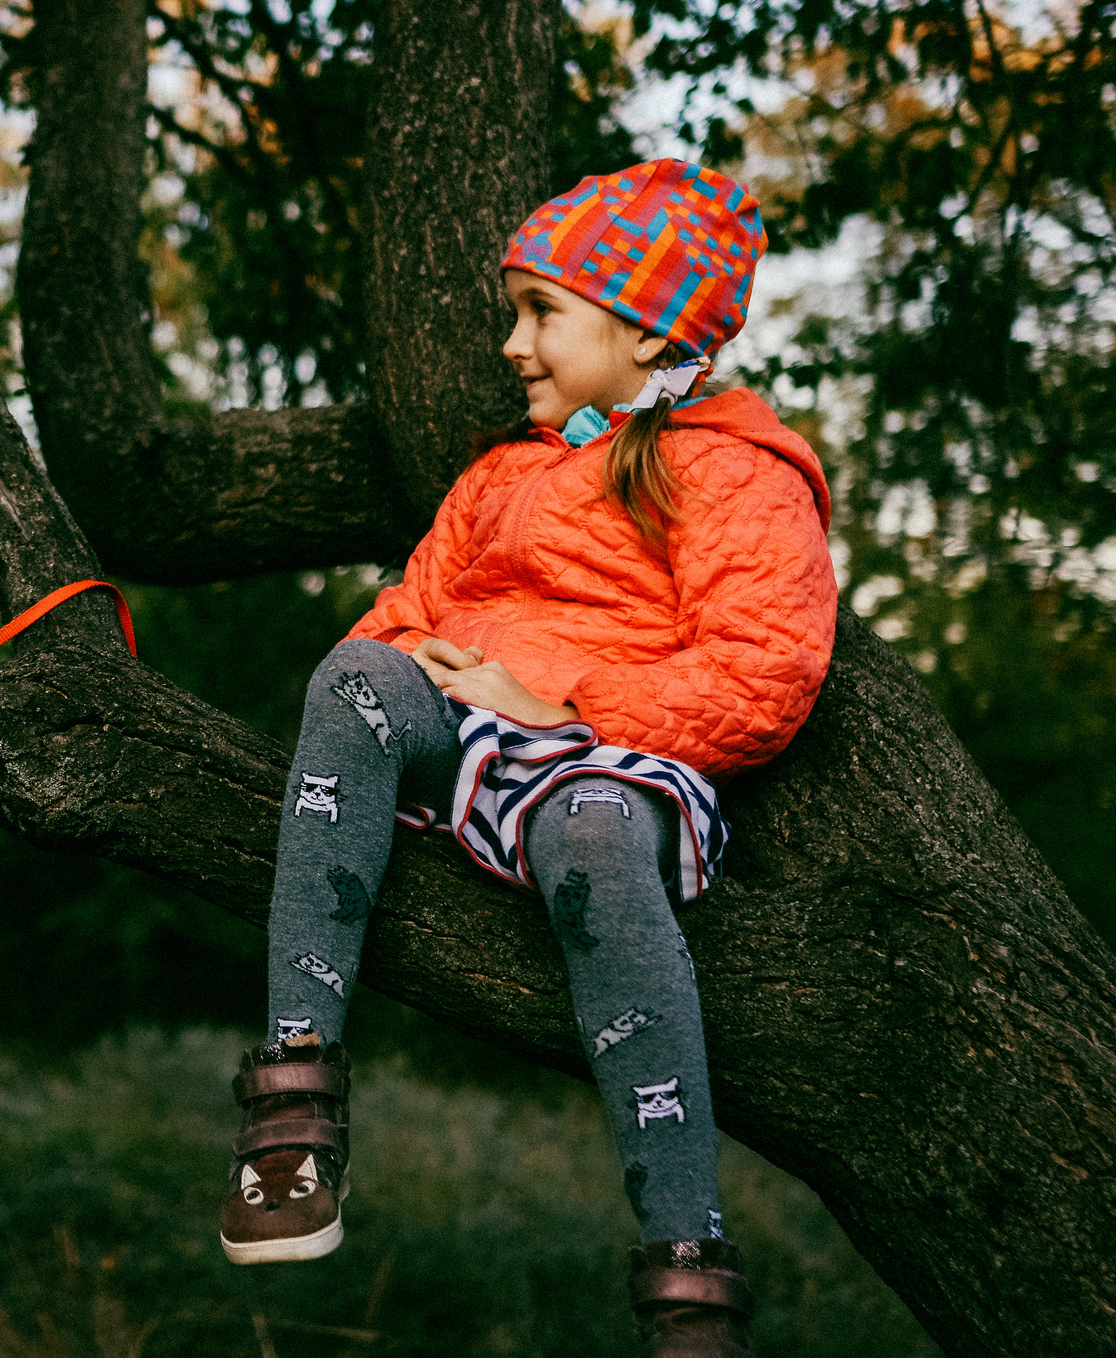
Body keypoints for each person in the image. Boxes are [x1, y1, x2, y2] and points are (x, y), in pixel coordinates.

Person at [217, 161, 836, 1358]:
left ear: (648, 327)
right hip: (456, 739)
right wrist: (372, 713)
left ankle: (687, 1269)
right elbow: (402, 616)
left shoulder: (736, 473)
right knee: (349, 672)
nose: (510, 344)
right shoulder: (500, 476)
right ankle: (292, 1109)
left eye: (540, 311)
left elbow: (763, 673)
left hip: (610, 759)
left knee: (594, 835)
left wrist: (567, 706)